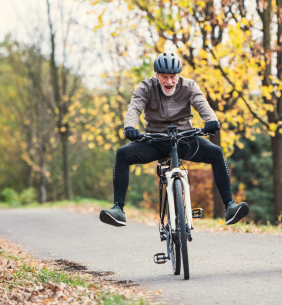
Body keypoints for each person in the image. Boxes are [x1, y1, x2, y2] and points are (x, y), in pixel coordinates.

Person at [99, 52, 249, 227]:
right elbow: (135, 107)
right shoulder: (145, 87)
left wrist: (212, 121)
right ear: (157, 76)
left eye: (172, 77)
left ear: (178, 75)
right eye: (164, 77)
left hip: (184, 139)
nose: (169, 81)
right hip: (154, 140)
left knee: (216, 152)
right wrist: (130, 127)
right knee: (122, 153)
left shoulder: (189, 86)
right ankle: (118, 208)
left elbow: (202, 104)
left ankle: (229, 206)